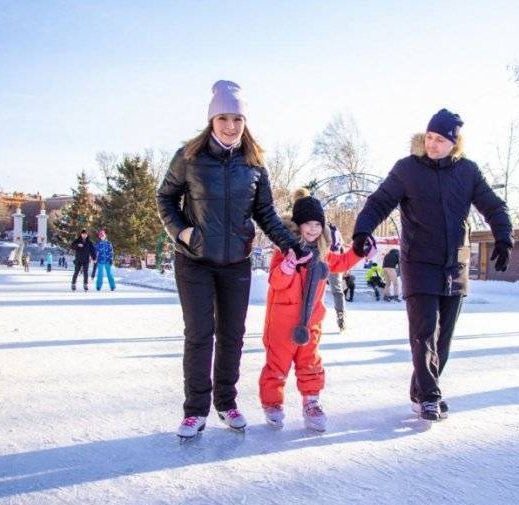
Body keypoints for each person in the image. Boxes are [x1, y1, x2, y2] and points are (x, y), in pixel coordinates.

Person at [156, 80, 305, 439]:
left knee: (232, 336)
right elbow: (165, 199)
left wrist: (291, 245)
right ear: (212, 120)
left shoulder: (253, 164)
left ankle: (226, 402)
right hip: (194, 259)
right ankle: (195, 411)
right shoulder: (189, 157)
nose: (230, 125)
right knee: (199, 334)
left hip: (236, 261)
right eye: (223, 117)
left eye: (237, 118)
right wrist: (183, 232)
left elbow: (266, 213)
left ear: (244, 121)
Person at [352, 108, 513, 421]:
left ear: (454, 143)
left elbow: (494, 206)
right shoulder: (407, 169)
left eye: (440, 139)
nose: (433, 144)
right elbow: (379, 202)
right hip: (419, 263)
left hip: (455, 265)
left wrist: (504, 237)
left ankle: (421, 390)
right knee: (424, 333)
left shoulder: (468, 172)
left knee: (443, 340)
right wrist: (361, 231)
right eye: (429, 137)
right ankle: (429, 396)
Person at [260, 189, 371, 431]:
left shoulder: (323, 254)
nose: (312, 229)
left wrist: (359, 251)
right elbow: (276, 282)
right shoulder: (284, 250)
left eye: (317, 224)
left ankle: (311, 402)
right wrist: (289, 265)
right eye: (307, 224)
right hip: (282, 322)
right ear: (298, 225)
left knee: (310, 363)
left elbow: (341, 262)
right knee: (277, 365)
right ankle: (272, 404)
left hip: (311, 322)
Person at [326, 222, 347, 331]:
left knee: (312, 289)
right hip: (336, 262)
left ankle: (308, 319)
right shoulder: (337, 232)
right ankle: (341, 318)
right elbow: (342, 249)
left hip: (323, 259)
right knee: (337, 291)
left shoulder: (319, 228)